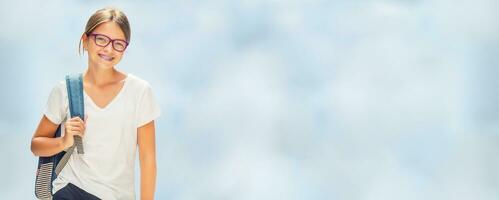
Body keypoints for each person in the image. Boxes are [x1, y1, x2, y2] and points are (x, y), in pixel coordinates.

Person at [31, 7, 160, 200]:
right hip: (70, 189)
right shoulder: (65, 90)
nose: (108, 49)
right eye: (101, 39)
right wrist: (64, 141)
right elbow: (36, 145)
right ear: (85, 40)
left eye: (118, 44)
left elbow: (147, 159)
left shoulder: (139, 92)